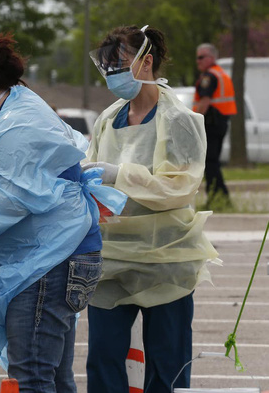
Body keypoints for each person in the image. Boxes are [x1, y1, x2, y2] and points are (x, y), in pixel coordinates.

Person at [0, 33, 126, 392]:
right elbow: (6, 189)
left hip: (49, 261)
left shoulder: (17, 126)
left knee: (31, 375)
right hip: (55, 254)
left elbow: (4, 205)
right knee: (52, 375)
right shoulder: (11, 112)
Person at [84, 25, 220, 393]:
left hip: (165, 259)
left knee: (168, 366)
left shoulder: (178, 120)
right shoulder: (107, 120)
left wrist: (119, 175)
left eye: (120, 64)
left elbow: (178, 186)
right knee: (103, 358)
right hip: (111, 258)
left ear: (147, 62)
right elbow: (90, 176)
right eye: (108, 66)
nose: (112, 73)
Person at [193, 43, 236, 208]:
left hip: (211, 123)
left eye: (201, 57)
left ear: (211, 57)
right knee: (213, 162)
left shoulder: (208, 77)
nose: (198, 61)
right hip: (221, 122)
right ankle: (221, 198)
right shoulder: (221, 74)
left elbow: (204, 103)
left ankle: (218, 197)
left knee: (210, 163)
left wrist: (194, 122)